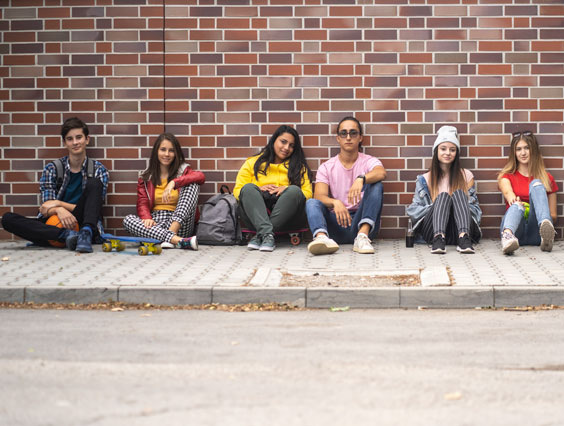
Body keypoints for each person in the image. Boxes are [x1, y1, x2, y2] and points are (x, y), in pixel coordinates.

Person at [1, 117, 109, 253]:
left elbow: (93, 208)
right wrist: (58, 210)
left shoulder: (99, 170)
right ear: (65, 143)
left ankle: (84, 235)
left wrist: (59, 204)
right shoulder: (52, 169)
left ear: (87, 139)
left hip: (83, 221)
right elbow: (46, 207)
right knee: (8, 219)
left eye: (79, 137)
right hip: (53, 225)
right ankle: (67, 236)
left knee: (94, 183)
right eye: (70, 139)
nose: (75, 142)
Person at [306, 116, 386, 255]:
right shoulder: (327, 166)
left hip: (361, 222)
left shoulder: (368, 161)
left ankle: (362, 237)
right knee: (312, 202)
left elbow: (381, 173)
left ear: (360, 137)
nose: (348, 137)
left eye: (353, 133)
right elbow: (319, 196)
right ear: (338, 138)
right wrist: (335, 202)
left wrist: (361, 179)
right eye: (344, 133)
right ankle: (321, 238)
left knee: (376, 185)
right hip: (336, 223)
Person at [233, 125, 313, 252]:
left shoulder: (299, 167)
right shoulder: (252, 163)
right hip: (256, 214)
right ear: (274, 140)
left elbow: (308, 194)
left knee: (295, 191)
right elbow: (237, 191)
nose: (286, 148)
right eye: (283, 142)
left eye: (291, 145)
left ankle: (262, 234)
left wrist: (286, 189)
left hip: (288, 217)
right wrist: (258, 190)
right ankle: (267, 234)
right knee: (247, 188)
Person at [406, 125, 481, 254]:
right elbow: (414, 211)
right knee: (444, 197)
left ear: (456, 153)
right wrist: (440, 206)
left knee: (458, 194)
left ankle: (464, 239)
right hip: (433, 230)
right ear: (436, 151)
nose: (448, 153)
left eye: (452, 149)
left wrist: (456, 206)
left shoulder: (466, 176)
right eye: (443, 149)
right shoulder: (424, 179)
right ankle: (438, 238)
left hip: (460, 229)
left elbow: (476, 212)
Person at [123, 133, 204, 250]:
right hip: (156, 223)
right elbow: (143, 202)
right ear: (156, 151)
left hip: (180, 223)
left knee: (192, 184)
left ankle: (171, 234)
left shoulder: (183, 170)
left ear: (176, 153)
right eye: (163, 150)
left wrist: (174, 183)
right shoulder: (146, 176)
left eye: (171, 150)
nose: (167, 154)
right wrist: (146, 217)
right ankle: (177, 240)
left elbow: (200, 176)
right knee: (128, 220)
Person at [497, 131, 557, 254]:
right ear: (514, 153)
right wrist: (518, 203)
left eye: (526, 148)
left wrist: (541, 214)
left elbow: (554, 215)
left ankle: (546, 235)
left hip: (536, 232)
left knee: (537, 184)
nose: (523, 153)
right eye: (518, 149)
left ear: (533, 150)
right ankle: (507, 237)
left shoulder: (547, 178)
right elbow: (509, 193)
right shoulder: (506, 177)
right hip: (515, 229)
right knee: (516, 205)